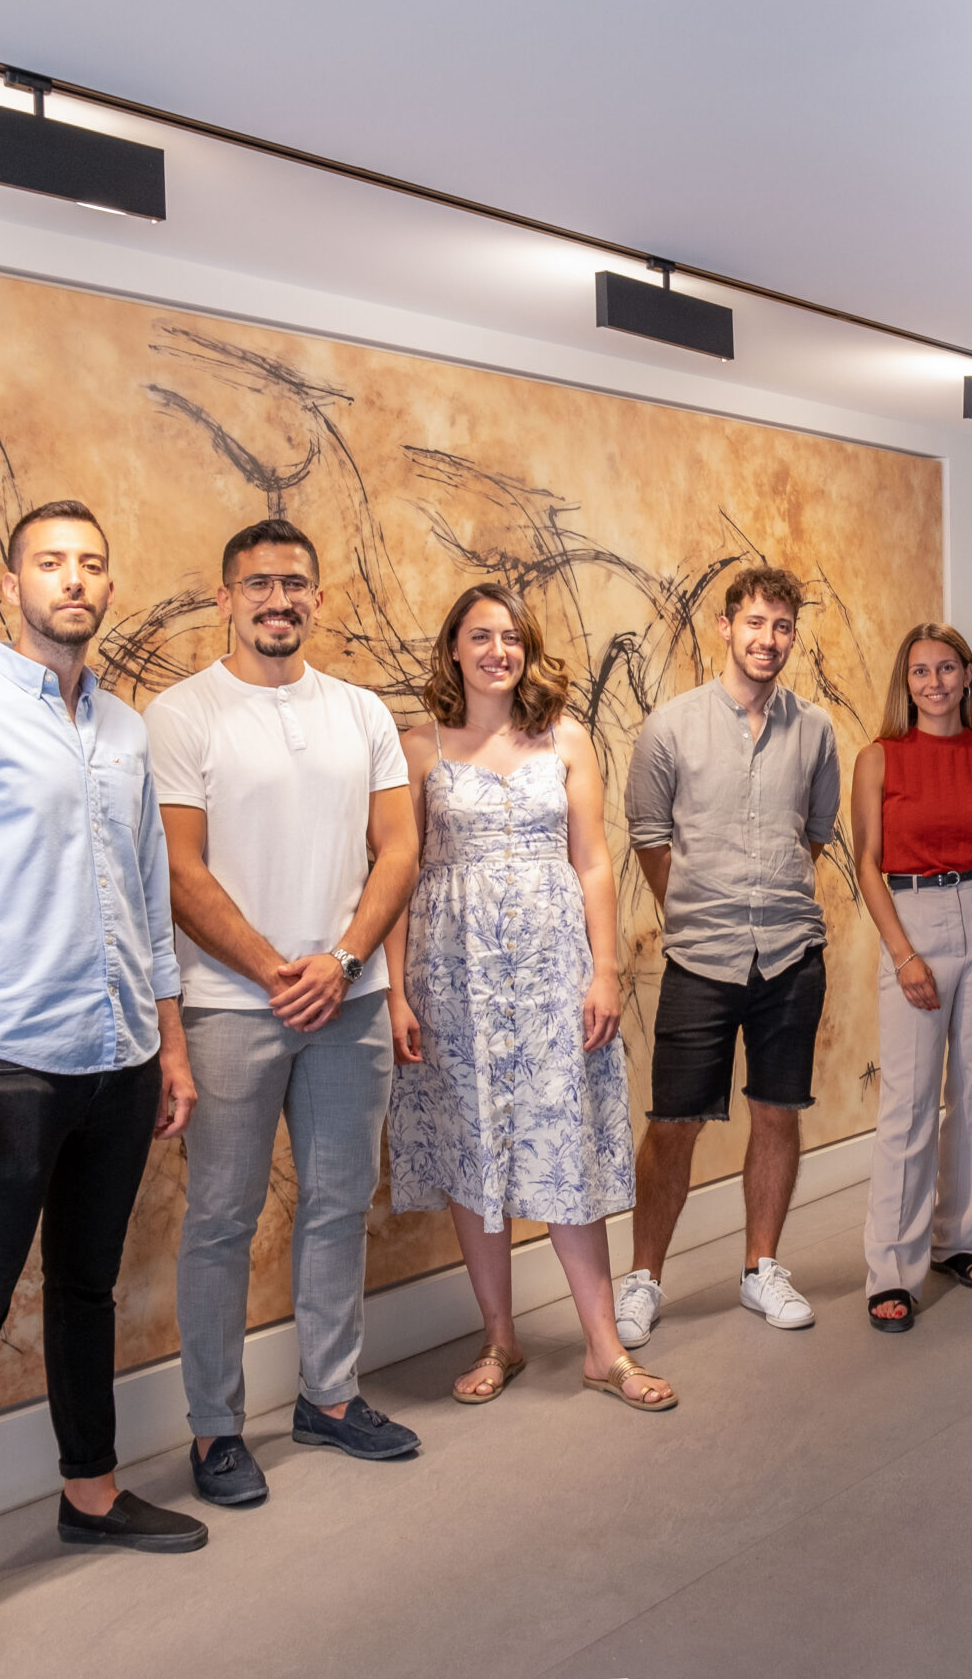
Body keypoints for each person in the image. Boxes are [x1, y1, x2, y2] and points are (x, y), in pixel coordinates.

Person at [0, 500, 205, 1672]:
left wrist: (169, 1046)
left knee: (85, 1286)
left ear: (107, 586)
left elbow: (149, 896)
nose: (74, 579)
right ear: (9, 582)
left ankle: (92, 1491)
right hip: (5, 1063)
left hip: (118, 1054)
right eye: (51, 562)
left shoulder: (123, 729)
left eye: (91, 563)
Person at [148, 518, 422, 1510]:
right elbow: (179, 870)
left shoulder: (361, 712)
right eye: (258, 583)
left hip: (351, 1000)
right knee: (222, 1219)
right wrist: (275, 970)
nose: (278, 599)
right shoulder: (180, 714)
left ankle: (330, 1395)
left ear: (317, 596)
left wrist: (341, 961)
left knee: (339, 1205)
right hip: (231, 1005)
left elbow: (399, 848)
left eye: (294, 583)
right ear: (225, 597)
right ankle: (215, 1427)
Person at [385, 583, 674, 1411]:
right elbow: (396, 875)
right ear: (454, 649)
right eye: (481, 636)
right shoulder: (418, 748)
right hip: (454, 977)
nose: (498, 651)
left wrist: (604, 970)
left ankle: (604, 1349)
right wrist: (397, 993)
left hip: (553, 971)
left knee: (562, 1148)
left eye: (511, 637)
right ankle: (499, 1339)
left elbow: (594, 861)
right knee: (473, 1149)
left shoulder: (566, 738)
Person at [613, 565, 842, 1345]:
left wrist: (766, 895)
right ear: (725, 626)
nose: (767, 639)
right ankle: (643, 1279)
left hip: (790, 956)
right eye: (754, 623)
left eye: (782, 626)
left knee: (777, 1113)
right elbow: (650, 838)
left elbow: (814, 834)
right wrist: (697, 905)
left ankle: (760, 1269)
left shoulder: (815, 730)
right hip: (700, 958)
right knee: (673, 1123)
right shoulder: (670, 728)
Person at [851, 623, 972, 1331]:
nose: (934, 682)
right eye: (921, 671)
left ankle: (964, 1240)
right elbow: (866, 863)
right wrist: (902, 954)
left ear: (967, 675)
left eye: (946, 668)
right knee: (909, 1101)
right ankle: (892, 1271)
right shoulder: (879, 758)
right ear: (907, 682)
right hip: (912, 917)